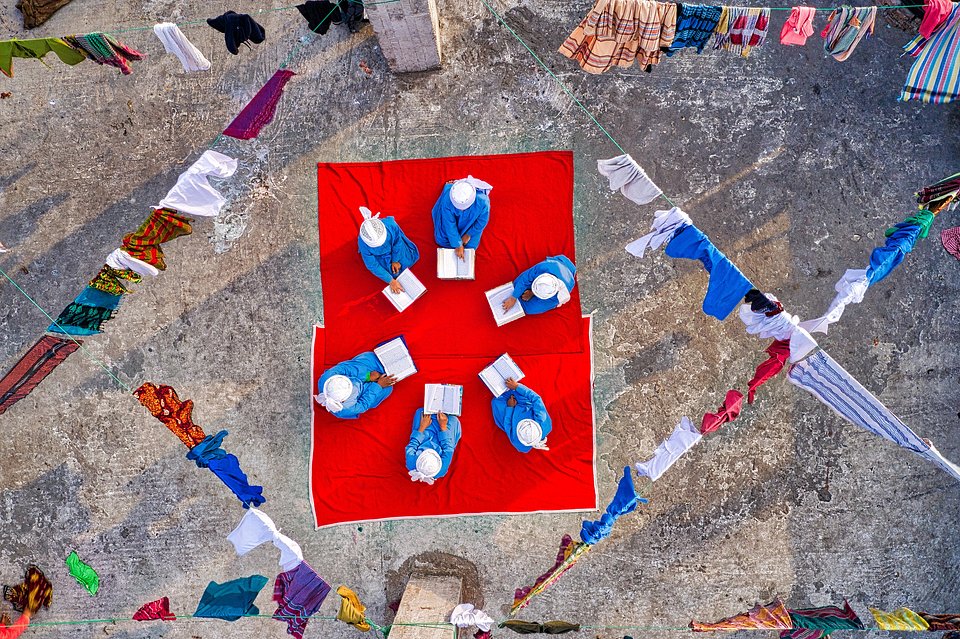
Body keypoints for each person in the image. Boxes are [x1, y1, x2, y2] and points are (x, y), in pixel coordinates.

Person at [356, 206, 420, 293]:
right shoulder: (362, 243)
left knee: (407, 261)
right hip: (380, 256)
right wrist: (390, 280)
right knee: (391, 273)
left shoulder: (390, 225)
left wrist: (395, 260)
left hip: (397, 250)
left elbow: (397, 242)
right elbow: (372, 265)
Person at [316, 351, 396, 419]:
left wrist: (367, 376)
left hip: (358, 373)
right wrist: (378, 386)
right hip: (363, 394)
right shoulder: (347, 409)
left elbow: (347, 368)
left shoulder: (327, 377)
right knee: (388, 388)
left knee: (369, 357)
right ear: (343, 401)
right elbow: (364, 403)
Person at [431, 176, 493, 260]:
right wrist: (458, 244)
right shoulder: (448, 200)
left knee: (470, 248)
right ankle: (448, 188)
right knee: (442, 239)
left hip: (471, 224)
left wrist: (469, 234)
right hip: (451, 221)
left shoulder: (483, 201)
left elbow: (482, 221)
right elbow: (449, 223)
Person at [501, 254, 577, 315]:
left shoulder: (559, 296)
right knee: (517, 284)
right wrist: (513, 297)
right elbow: (525, 278)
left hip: (567, 277)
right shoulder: (544, 267)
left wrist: (532, 293)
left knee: (529, 309)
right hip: (558, 262)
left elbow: (536, 307)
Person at [491, 378, 551, 453]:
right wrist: (516, 387)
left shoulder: (520, 445)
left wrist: (510, 408)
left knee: (496, 402)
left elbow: (508, 425)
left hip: (510, 416)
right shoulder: (544, 422)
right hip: (525, 405)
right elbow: (536, 399)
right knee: (516, 389)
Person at [405, 408, 461, 483]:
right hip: (442, 441)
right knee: (453, 420)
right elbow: (449, 448)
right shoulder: (442, 470)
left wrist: (422, 427)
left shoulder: (411, 463)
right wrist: (443, 427)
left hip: (423, 437)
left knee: (420, 413)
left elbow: (413, 442)